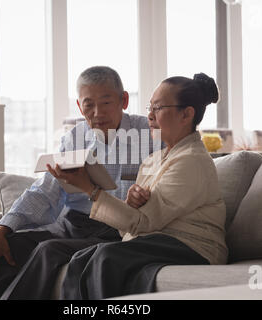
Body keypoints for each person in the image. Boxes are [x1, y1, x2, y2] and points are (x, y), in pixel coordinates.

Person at [0, 66, 160, 300]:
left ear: (123, 100)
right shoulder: (75, 137)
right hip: (73, 224)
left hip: (115, 230)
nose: (97, 113)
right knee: (8, 246)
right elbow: (45, 191)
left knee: (48, 250)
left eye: (106, 103)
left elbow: (164, 186)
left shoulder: (149, 133)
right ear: (79, 106)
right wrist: (0, 228)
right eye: (89, 105)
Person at [48, 73, 229, 299]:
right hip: (153, 239)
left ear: (186, 114)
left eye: (158, 108)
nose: (149, 116)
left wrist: (90, 189)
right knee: (83, 257)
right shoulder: (153, 160)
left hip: (192, 246)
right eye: (149, 107)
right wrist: (131, 202)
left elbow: (142, 223)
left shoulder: (192, 161)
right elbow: (129, 226)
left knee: (106, 257)